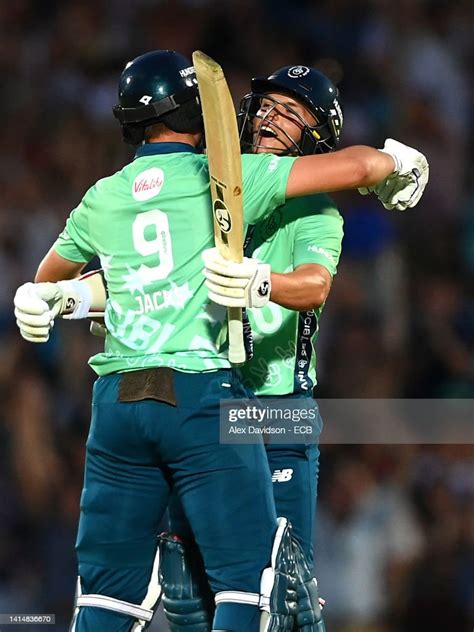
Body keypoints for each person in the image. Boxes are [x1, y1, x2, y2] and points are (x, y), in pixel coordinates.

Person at [13, 50, 428, 632]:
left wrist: (264, 282)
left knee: (283, 594)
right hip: (209, 402)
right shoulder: (215, 182)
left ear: (318, 137)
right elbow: (133, 277)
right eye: (270, 106)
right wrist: (72, 297)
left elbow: (314, 287)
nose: (272, 119)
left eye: (293, 113)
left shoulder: (313, 211)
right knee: (189, 591)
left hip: (278, 411)